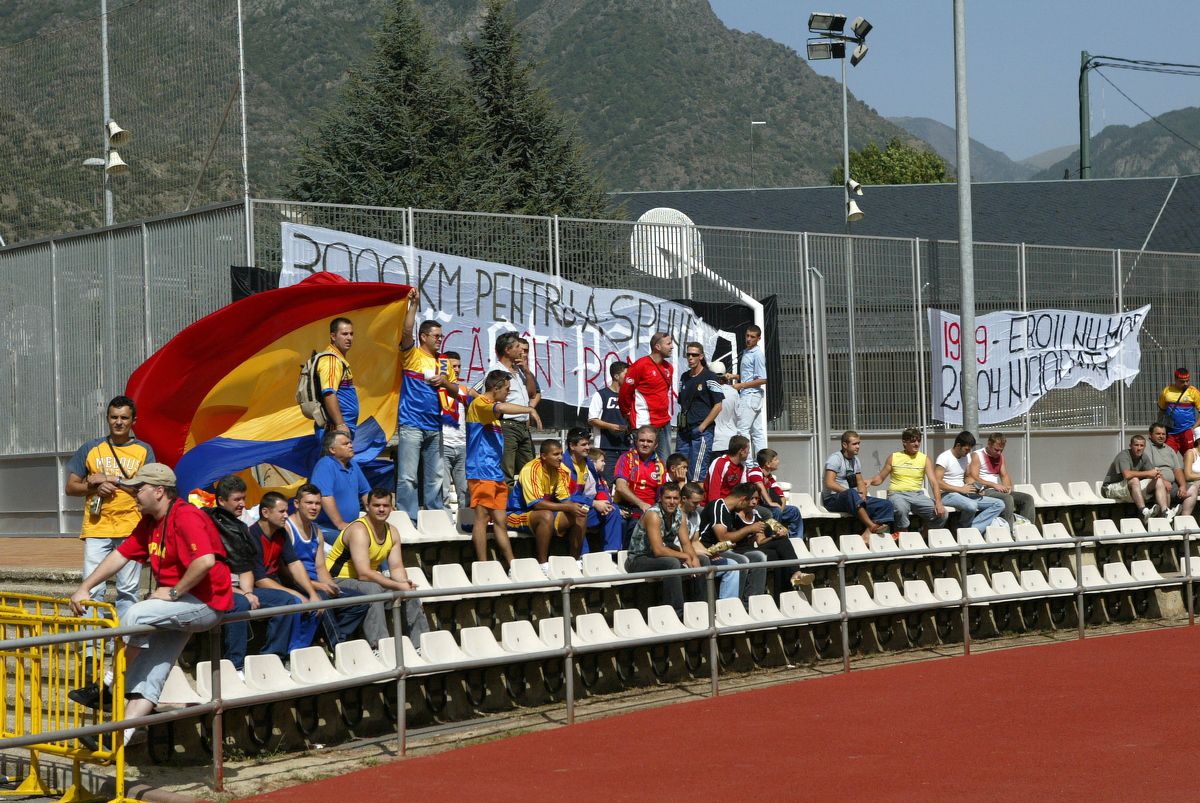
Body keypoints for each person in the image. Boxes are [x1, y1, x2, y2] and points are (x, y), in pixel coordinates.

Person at [67, 464, 233, 751]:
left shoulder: (186, 516)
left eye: (138, 489)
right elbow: (120, 555)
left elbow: (205, 561)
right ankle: (116, 740)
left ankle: (108, 685)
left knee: (136, 612)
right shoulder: (150, 521)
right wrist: (85, 587)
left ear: (159, 491)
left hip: (204, 603)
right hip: (177, 606)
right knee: (150, 676)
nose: (133, 494)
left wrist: (176, 591)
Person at [65, 395, 155, 623]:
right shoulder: (91, 448)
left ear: (134, 421)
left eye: (124, 418)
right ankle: (90, 643)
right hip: (97, 528)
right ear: (107, 418)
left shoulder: (144, 450)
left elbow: (148, 490)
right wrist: (94, 487)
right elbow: (71, 487)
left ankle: (125, 639)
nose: (119, 422)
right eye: (114, 417)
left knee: (128, 590)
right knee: (92, 588)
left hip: (132, 528)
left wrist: (111, 479)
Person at [206, 476, 307, 674]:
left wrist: (248, 591)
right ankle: (235, 666)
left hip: (241, 588)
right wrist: (243, 594)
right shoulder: (208, 525)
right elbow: (211, 572)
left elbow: (246, 568)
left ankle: (272, 658)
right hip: (216, 588)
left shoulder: (242, 527)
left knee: (287, 600)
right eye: (237, 499)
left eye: (243, 498)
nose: (242, 504)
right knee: (239, 604)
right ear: (221, 501)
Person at [325, 488, 429, 649]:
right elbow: (364, 574)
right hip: (337, 580)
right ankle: (380, 647)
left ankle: (421, 645)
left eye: (385, 506)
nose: (381, 509)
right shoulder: (359, 530)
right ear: (367, 507)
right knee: (373, 590)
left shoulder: (392, 531)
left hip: (365, 581)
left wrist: (404, 584)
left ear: (391, 508)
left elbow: (396, 567)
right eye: (376, 505)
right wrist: (397, 585)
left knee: (410, 591)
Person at [466, 369, 536, 567]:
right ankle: (482, 566)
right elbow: (501, 406)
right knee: (481, 519)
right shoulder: (480, 404)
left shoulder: (492, 413)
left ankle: (512, 564)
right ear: (495, 389)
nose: (508, 392)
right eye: (506, 389)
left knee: (500, 521)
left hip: (495, 473)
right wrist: (529, 409)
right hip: (481, 471)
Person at [285, 484, 369, 647]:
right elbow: (286, 572)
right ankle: (338, 646)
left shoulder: (316, 531)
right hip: (297, 584)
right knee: (322, 598)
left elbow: (320, 567)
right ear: (296, 504)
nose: (314, 507)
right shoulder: (287, 529)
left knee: (360, 602)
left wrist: (331, 585)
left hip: (316, 583)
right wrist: (319, 586)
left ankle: (327, 638)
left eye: (317, 503)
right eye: (309, 503)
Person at [396, 289, 455, 521]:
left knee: (436, 478)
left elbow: (455, 389)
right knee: (408, 477)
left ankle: (435, 516)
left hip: (435, 426)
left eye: (441, 336)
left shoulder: (444, 362)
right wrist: (413, 305)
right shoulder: (411, 355)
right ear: (423, 337)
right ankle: (407, 518)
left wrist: (445, 382)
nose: (440, 339)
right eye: (436, 336)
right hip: (411, 423)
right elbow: (406, 331)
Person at [698, 482, 812, 601]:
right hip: (712, 549)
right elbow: (723, 537)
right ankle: (738, 602)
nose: (754, 503)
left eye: (757, 499)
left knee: (773, 551)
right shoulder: (719, 506)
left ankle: (758, 601)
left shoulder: (736, 512)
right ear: (743, 499)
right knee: (744, 560)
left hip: (728, 548)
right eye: (752, 499)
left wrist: (773, 536)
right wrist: (749, 529)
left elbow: (754, 539)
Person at [250, 492, 326, 651]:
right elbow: (260, 580)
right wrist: (297, 594)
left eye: (286, 511)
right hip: (255, 587)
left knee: (316, 601)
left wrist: (312, 593)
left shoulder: (281, 532)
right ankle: (274, 654)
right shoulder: (252, 535)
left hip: (275, 583)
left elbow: (295, 563)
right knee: (294, 601)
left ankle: (298, 650)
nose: (286, 515)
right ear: (265, 512)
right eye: (281, 511)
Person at [507, 439, 588, 572]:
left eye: (561, 453)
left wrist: (576, 508)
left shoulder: (561, 470)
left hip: (543, 514)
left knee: (580, 515)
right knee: (545, 515)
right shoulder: (531, 469)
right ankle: (542, 565)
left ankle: (574, 562)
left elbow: (565, 500)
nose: (560, 457)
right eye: (555, 454)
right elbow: (536, 504)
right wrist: (568, 507)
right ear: (543, 456)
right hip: (515, 513)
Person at [624, 482, 703, 616]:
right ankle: (675, 613)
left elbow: (686, 544)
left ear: (680, 499)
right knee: (672, 563)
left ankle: (702, 608)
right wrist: (685, 556)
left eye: (675, 498)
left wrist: (694, 558)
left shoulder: (680, 515)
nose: (672, 502)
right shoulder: (653, 515)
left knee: (702, 561)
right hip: (638, 559)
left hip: (658, 558)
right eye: (668, 498)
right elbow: (658, 550)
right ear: (660, 498)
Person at [870, 428, 947, 532]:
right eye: (913, 441)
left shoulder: (925, 459)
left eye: (918, 440)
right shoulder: (893, 457)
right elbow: (880, 478)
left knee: (943, 514)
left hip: (917, 495)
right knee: (900, 509)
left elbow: (934, 482)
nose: (917, 444)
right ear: (904, 442)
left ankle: (923, 535)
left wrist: (938, 502)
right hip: (897, 494)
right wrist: (869, 481)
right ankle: (903, 535)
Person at [822, 430, 894, 540]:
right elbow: (829, 483)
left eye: (859, 443)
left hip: (851, 498)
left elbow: (860, 482)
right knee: (852, 492)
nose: (858, 446)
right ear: (845, 445)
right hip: (833, 499)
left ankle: (866, 535)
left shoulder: (855, 460)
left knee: (886, 504)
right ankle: (871, 526)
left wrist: (862, 494)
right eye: (854, 444)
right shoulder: (835, 459)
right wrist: (852, 493)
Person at [564, 427, 623, 554]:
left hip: (587, 505)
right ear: (572, 446)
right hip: (568, 509)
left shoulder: (587, 463)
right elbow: (567, 496)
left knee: (613, 509)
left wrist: (604, 502)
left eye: (588, 444)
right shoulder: (564, 465)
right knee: (581, 513)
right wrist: (594, 503)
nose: (588, 447)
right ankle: (583, 556)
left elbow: (598, 486)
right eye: (583, 444)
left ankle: (611, 553)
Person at [619, 331, 676, 463]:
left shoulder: (669, 367)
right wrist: (627, 414)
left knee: (664, 463)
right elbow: (624, 393)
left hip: (664, 423)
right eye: (668, 344)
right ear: (657, 347)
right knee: (640, 462)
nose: (672, 347)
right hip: (644, 422)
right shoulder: (640, 365)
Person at [933, 432, 1005, 531]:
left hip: (963, 493)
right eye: (966, 449)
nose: (968, 452)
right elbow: (937, 482)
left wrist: (976, 487)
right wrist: (960, 489)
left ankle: (970, 529)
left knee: (999, 504)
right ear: (958, 445)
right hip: (947, 494)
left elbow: (967, 477)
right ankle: (965, 529)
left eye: (970, 449)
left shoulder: (966, 457)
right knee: (972, 505)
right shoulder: (944, 458)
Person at [680, 481, 740, 601]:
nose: (698, 506)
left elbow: (695, 542)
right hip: (681, 554)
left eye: (699, 502)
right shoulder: (676, 515)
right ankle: (707, 602)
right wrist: (702, 554)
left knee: (733, 565)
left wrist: (710, 552)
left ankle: (728, 605)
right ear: (684, 499)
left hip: (693, 553)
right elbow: (680, 545)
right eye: (695, 502)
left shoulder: (695, 515)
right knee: (703, 559)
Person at [311, 429, 370, 543]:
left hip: (350, 527)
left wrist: (375, 514)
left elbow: (366, 492)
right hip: (326, 528)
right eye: (345, 444)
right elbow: (325, 497)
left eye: (350, 443)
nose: (351, 446)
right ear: (332, 450)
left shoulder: (353, 465)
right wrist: (340, 523)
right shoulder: (325, 465)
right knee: (360, 541)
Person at [968, 433, 1037, 530]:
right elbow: (974, 477)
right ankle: (1008, 531)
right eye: (996, 450)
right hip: (984, 490)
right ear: (989, 444)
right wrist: (993, 485)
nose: (999, 452)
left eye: (1001, 450)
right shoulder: (977, 455)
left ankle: (1028, 531)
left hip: (996, 489)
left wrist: (1008, 487)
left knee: (1027, 499)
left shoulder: (1000, 457)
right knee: (1007, 498)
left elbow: (1004, 475)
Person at [676, 343, 724, 481]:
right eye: (688, 354)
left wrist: (702, 426)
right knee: (679, 469)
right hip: (684, 431)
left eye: (694, 355)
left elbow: (718, 405)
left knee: (696, 474)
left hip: (701, 431)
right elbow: (681, 402)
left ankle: (697, 495)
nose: (690, 357)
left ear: (701, 356)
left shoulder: (710, 377)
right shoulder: (684, 377)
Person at [1101, 434, 1170, 520]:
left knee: (1158, 480)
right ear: (1130, 446)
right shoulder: (1123, 455)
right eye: (1136, 445)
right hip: (1110, 489)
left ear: (1144, 447)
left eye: (1141, 445)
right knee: (1134, 480)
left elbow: (1153, 473)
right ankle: (1144, 512)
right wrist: (1148, 473)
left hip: (1130, 488)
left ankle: (1165, 512)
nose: (1139, 448)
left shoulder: (1144, 457)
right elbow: (1127, 475)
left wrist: (1162, 480)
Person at [726, 325, 768, 460]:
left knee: (742, 430)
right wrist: (735, 376)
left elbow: (763, 379)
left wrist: (741, 385)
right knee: (757, 432)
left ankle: (747, 463)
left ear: (758, 338)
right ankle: (763, 463)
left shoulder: (757, 354)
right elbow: (750, 376)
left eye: (752, 337)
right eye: (747, 336)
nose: (749, 339)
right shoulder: (747, 352)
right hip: (750, 394)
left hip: (750, 395)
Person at [612, 426, 668, 526]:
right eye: (642, 440)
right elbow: (620, 487)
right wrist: (641, 503)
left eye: (649, 441)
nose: (645, 444)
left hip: (649, 510)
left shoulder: (660, 465)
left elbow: (661, 495)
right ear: (636, 442)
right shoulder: (625, 458)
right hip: (627, 507)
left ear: (655, 445)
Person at [587, 360, 630, 484]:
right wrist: (611, 426)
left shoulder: (630, 396)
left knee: (626, 482)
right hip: (606, 447)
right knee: (607, 482)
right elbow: (592, 419)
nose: (629, 378)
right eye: (626, 374)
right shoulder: (601, 395)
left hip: (626, 446)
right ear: (616, 376)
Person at [747, 448, 804, 539]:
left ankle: (795, 539)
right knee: (775, 511)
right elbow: (759, 485)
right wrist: (770, 502)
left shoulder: (770, 477)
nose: (778, 461)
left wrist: (781, 509)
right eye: (775, 459)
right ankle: (774, 538)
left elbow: (781, 496)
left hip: (768, 507)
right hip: (754, 507)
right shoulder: (755, 471)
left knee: (794, 511)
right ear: (768, 464)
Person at [316, 317, 358, 440]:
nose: (349, 338)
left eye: (351, 334)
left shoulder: (338, 359)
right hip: (335, 429)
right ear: (333, 336)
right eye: (344, 334)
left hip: (342, 426)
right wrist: (340, 424)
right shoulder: (332, 361)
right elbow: (329, 394)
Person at [438, 350, 470, 514]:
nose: (456, 370)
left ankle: (466, 524)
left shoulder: (463, 390)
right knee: (442, 491)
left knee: (464, 490)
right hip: (443, 445)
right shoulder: (437, 390)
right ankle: (444, 522)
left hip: (462, 445)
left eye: (458, 366)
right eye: (453, 366)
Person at [1146, 423, 1198, 520]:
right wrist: (1163, 481)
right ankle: (1164, 521)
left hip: (1172, 484)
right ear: (1150, 434)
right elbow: (1149, 468)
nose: (1161, 436)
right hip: (1154, 483)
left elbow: (1177, 470)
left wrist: (1182, 485)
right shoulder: (1147, 446)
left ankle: (1183, 521)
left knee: (1192, 489)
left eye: (1163, 434)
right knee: (1165, 488)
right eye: (1158, 434)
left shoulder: (1169, 449)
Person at [1157, 368, 1200, 454]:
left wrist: (1193, 428)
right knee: (1167, 457)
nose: (1186, 383)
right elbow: (1161, 410)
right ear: (1175, 380)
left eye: (1187, 381)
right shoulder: (1167, 391)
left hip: (1187, 432)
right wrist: (1159, 428)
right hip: (1170, 432)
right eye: (1182, 381)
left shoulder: (1194, 392)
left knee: (1191, 457)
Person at [706, 435, 750, 503]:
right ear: (741, 451)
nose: (749, 453)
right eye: (748, 450)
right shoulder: (720, 463)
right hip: (715, 504)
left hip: (733, 503)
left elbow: (745, 490)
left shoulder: (743, 466)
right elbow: (714, 492)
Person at [708, 361, 740, 454]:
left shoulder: (708, 391)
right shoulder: (733, 392)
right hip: (730, 440)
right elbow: (739, 415)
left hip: (713, 441)